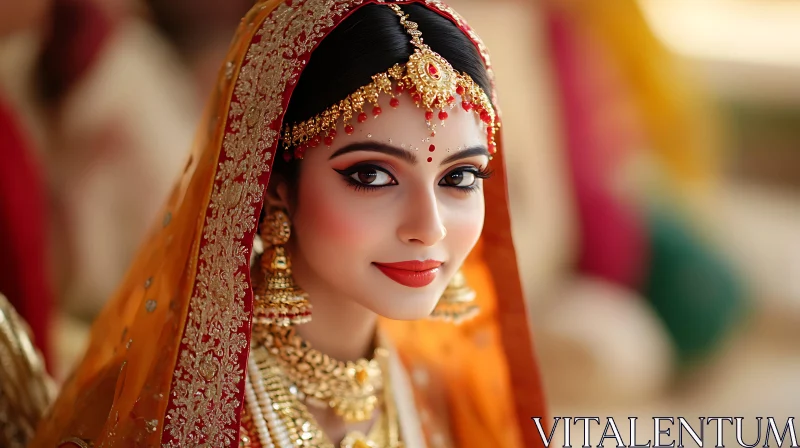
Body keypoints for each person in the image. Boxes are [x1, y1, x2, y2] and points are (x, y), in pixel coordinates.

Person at [31, 1, 546, 446]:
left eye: (459, 176)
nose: (428, 227)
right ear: (275, 179)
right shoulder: (177, 415)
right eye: (371, 175)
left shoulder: (441, 395)